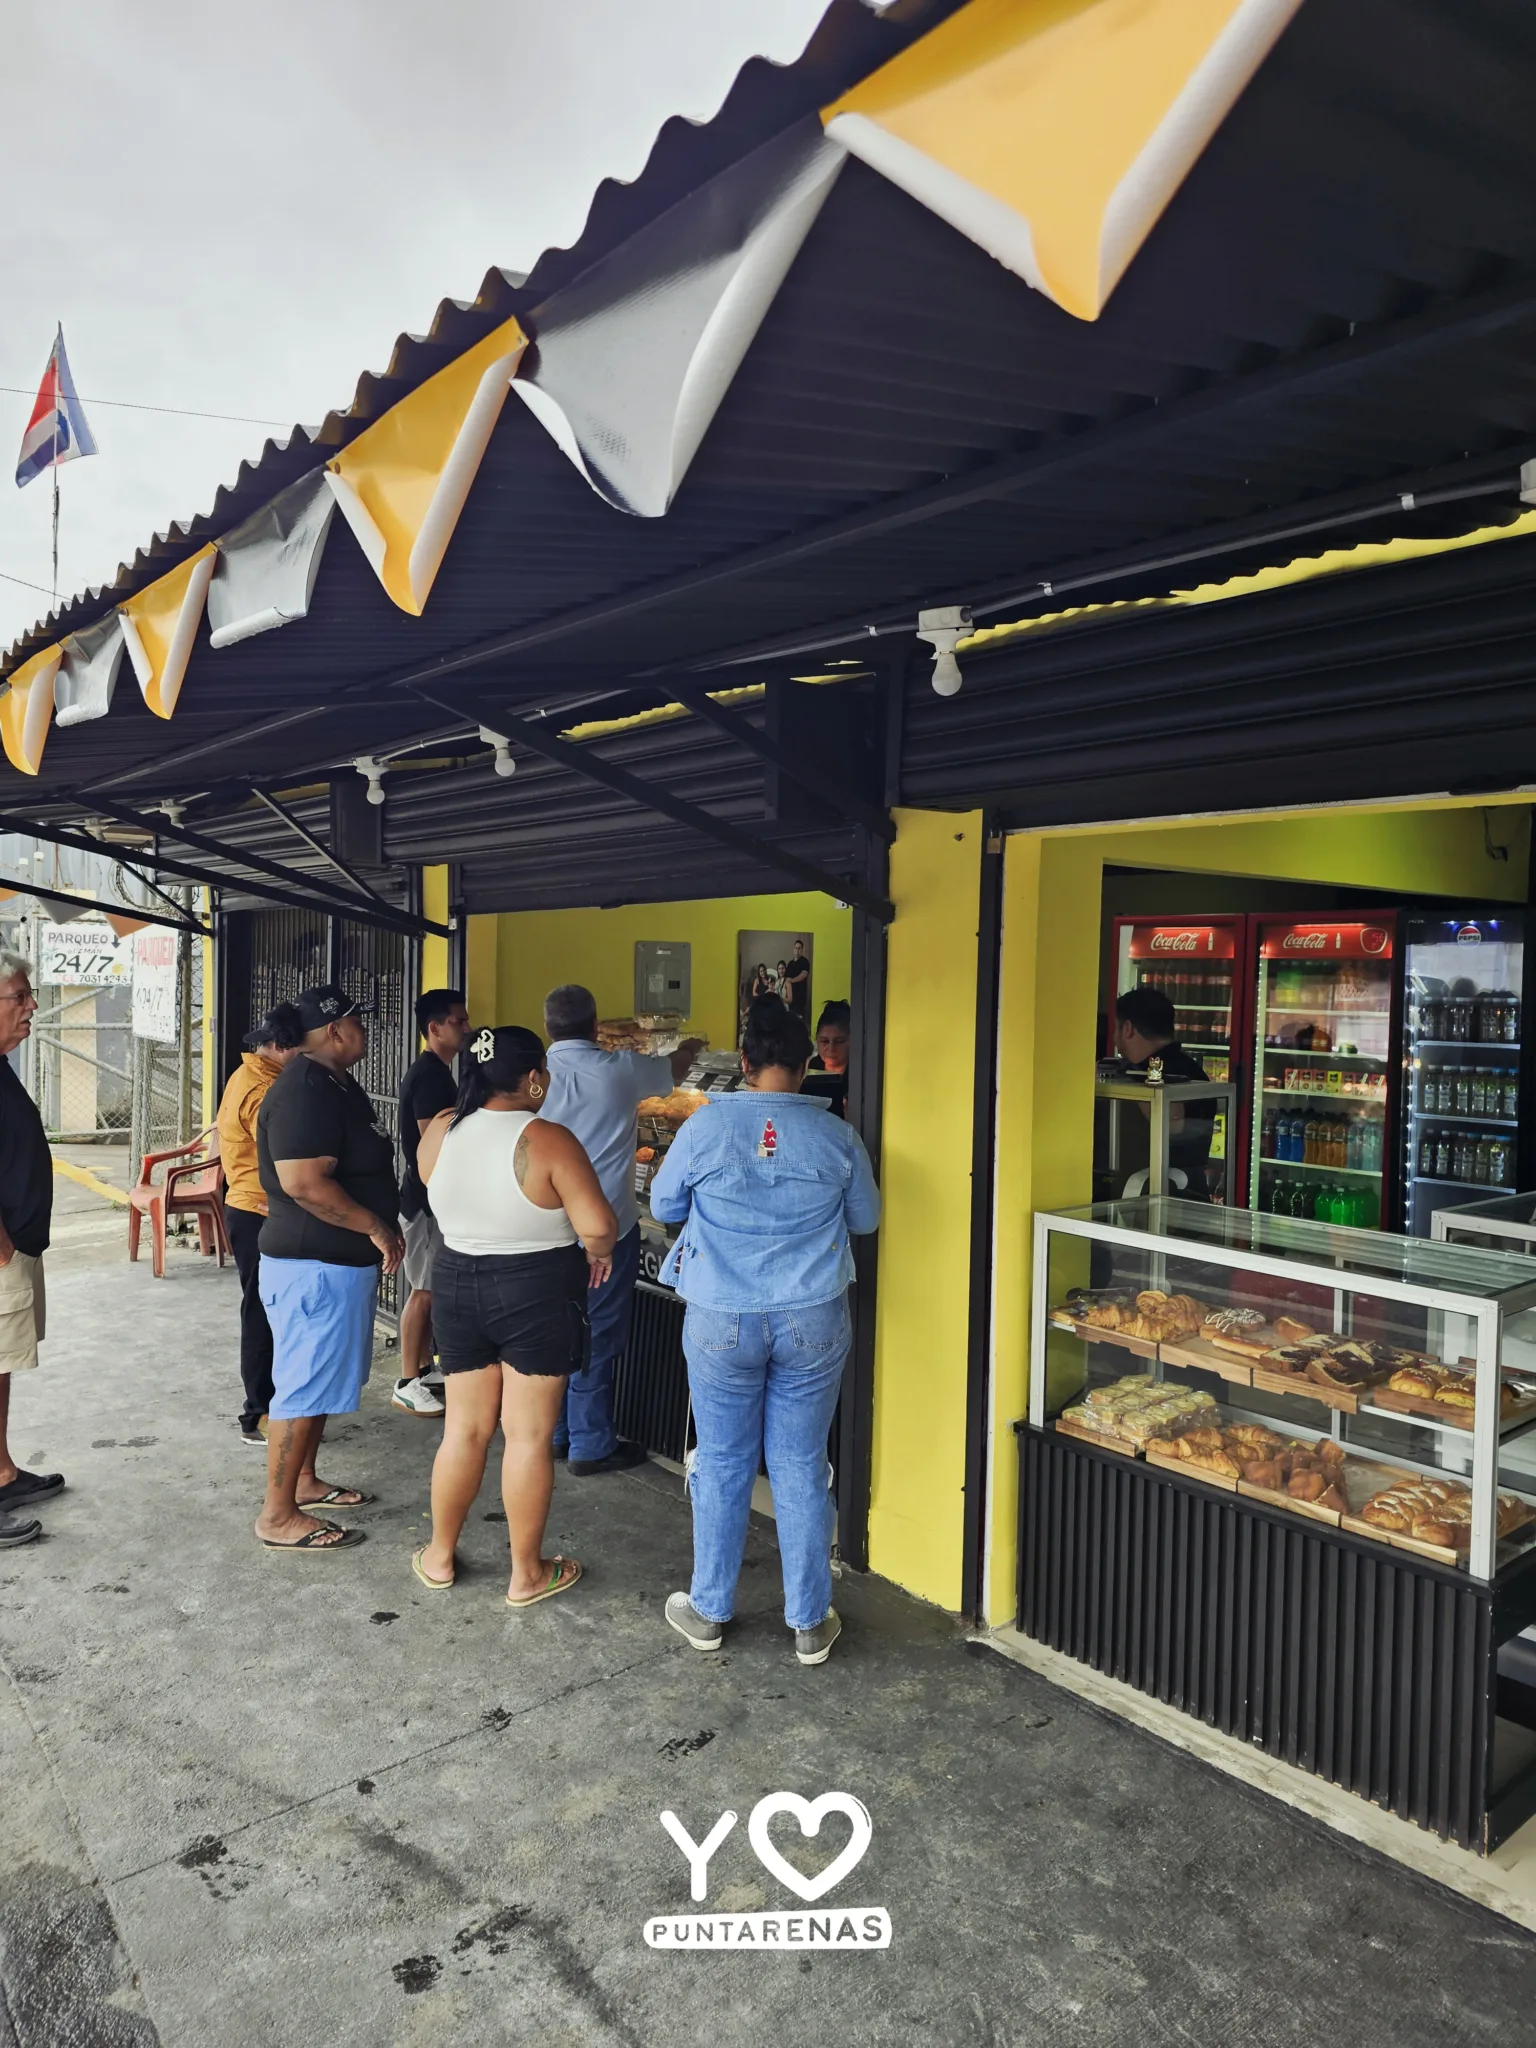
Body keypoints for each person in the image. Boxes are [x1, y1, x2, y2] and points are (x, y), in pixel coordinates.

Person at [649, 995, 881, 1667]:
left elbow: (664, 1203)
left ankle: (710, 1609)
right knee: (800, 1463)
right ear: (807, 1066)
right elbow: (865, 1221)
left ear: (745, 1063)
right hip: (812, 1318)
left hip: (722, 1315)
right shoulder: (838, 1136)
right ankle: (810, 1621)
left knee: (721, 1460)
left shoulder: (702, 1130)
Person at [411, 1026, 618, 1604]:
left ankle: (439, 1554)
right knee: (526, 1436)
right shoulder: (546, 1138)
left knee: (464, 1429)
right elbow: (598, 1225)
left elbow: (437, 1187)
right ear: (532, 1079)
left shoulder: (442, 1129)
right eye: (544, 1076)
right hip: (535, 1288)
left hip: (455, 1283)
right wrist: (598, 1252)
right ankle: (526, 1573)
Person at [254, 984, 403, 1552]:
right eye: (360, 1022)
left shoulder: (335, 1082)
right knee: (299, 1387)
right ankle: (277, 1513)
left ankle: (306, 1480)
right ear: (337, 1028)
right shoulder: (304, 1089)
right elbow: (302, 1183)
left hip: (332, 1266)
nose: (367, 1031)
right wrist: (373, 1225)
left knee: (315, 1383)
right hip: (311, 1265)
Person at [539, 984, 701, 1475]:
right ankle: (590, 1443)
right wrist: (690, 1050)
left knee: (556, 1328)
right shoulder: (619, 1070)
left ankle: (556, 1432)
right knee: (599, 1330)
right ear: (595, 1028)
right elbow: (672, 1074)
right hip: (608, 1226)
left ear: (548, 1028)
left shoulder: (533, 1074)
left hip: (545, 1226)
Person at [215, 1002, 305, 1446]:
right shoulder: (261, 1090)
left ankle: (272, 1405)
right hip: (256, 1210)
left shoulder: (254, 1075)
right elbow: (282, 1156)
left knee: (268, 1309)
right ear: (280, 1047)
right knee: (261, 1312)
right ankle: (258, 1412)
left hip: (252, 1206)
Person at [0, 952, 63, 1549]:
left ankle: (2, 1473)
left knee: (2, 1362)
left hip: (17, 1244)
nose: (31, 1007)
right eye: (19, 996)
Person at [393, 987, 472, 1419]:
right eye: (458, 1021)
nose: (466, 1028)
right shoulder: (430, 1076)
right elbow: (432, 1144)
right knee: (422, 1291)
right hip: (424, 1202)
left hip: (430, 1200)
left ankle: (423, 1369)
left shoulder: (438, 1072)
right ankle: (407, 1381)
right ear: (434, 1028)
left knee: (429, 1288)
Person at [1107, 985, 1216, 1202]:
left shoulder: (1163, 1074)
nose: (1113, 1037)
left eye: (1115, 1028)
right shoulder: (1192, 1070)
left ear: (1127, 1028)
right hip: (1184, 1192)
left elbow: (1173, 1125)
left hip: (1161, 1195)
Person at [801, 999, 850, 1119]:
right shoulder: (808, 1070)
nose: (831, 1048)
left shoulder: (860, 1076)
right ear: (816, 1040)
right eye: (824, 1041)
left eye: (839, 1041)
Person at [782, 938, 811, 1022]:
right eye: (796, 948)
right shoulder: (790, 963)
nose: (797, 950)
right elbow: (786, 977)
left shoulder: (805, 962)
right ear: (793, 949)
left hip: (800, 996)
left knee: (799, 1020)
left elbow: (804, 975)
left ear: (802, 950)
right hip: (790, 997)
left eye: (799, 948)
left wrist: (792, 981)